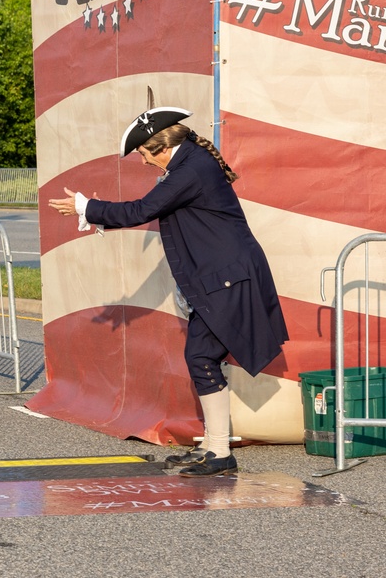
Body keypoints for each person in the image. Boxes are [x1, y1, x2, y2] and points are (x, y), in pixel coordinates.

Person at [49, 103, 288, 477]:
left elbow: (141, 210)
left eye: (144, 154)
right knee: (201, 356)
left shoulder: (190, 169)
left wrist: (87, 205)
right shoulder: (187, 163)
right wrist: (91, 212)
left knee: (201, 356)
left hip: (226, 276)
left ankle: (220, 451)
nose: (143, 162)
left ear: (160, 147)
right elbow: (155, 211)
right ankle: (214, 446)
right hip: (218, 275)